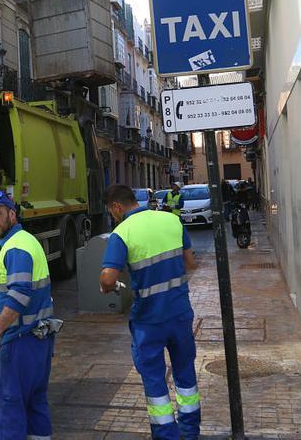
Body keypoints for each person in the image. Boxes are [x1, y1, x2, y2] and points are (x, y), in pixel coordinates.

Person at [98, 185, 200, 440]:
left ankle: (167, 434)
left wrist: (104, 285)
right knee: (185, 372)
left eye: (112, 212)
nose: (113, 217)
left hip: (148, 321)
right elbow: (191, 263)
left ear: (117, 207)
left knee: (154, 380)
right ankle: (190, 432)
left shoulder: (122, 233)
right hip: (179, 313)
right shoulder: (172, 221)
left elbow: (109, 278)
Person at [0, 190, 57, 440]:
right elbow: (12, 273)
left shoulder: (15, 248)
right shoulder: (24, 241)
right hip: (40, 338)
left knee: (9, 405)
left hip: (20, 340)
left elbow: (19, 294)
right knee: (35, 401)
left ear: (12, 215)